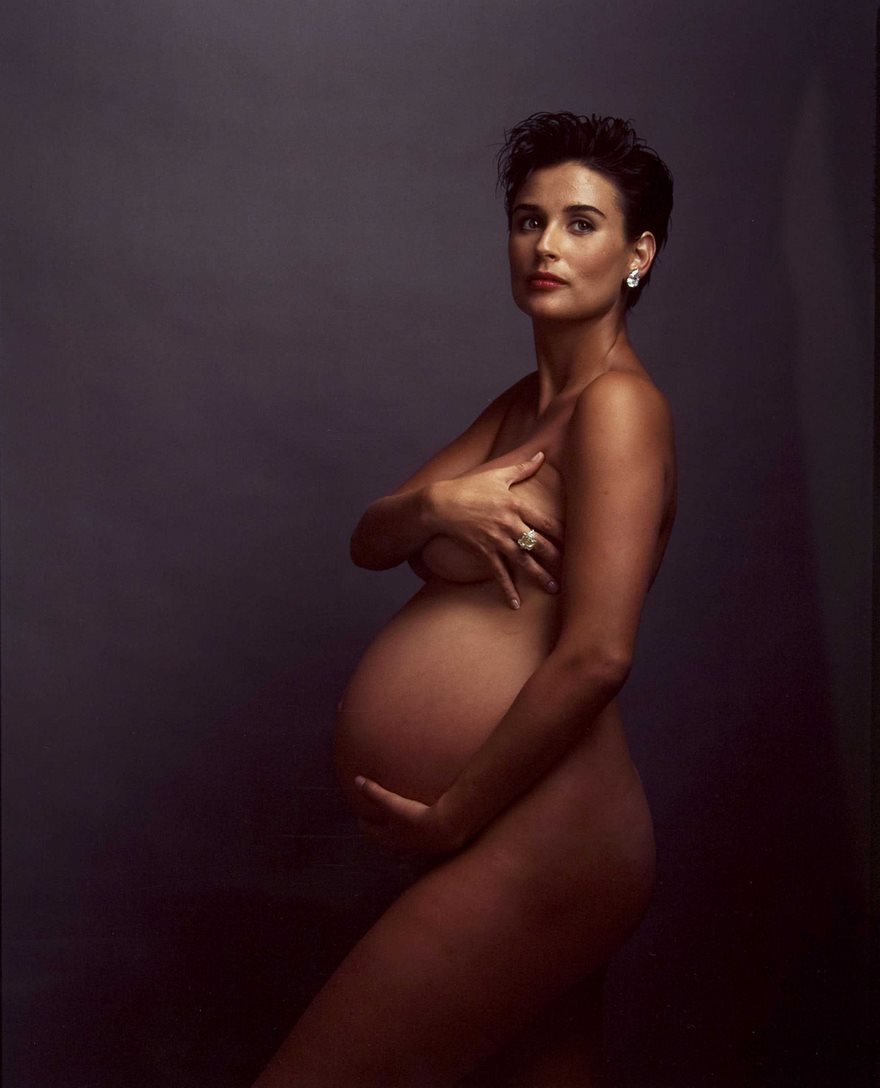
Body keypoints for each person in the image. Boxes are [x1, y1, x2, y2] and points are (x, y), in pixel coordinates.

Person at [252, 111, 676, 1088]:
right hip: (516, 827)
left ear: (637, 252)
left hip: (542, 837)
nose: (545, 245)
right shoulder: (520, 409)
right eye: (528, 220)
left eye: (580, 223)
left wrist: (452, 818)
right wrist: (442, 501)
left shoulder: (618, 409)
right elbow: (372, 538)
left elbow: (598, 654)